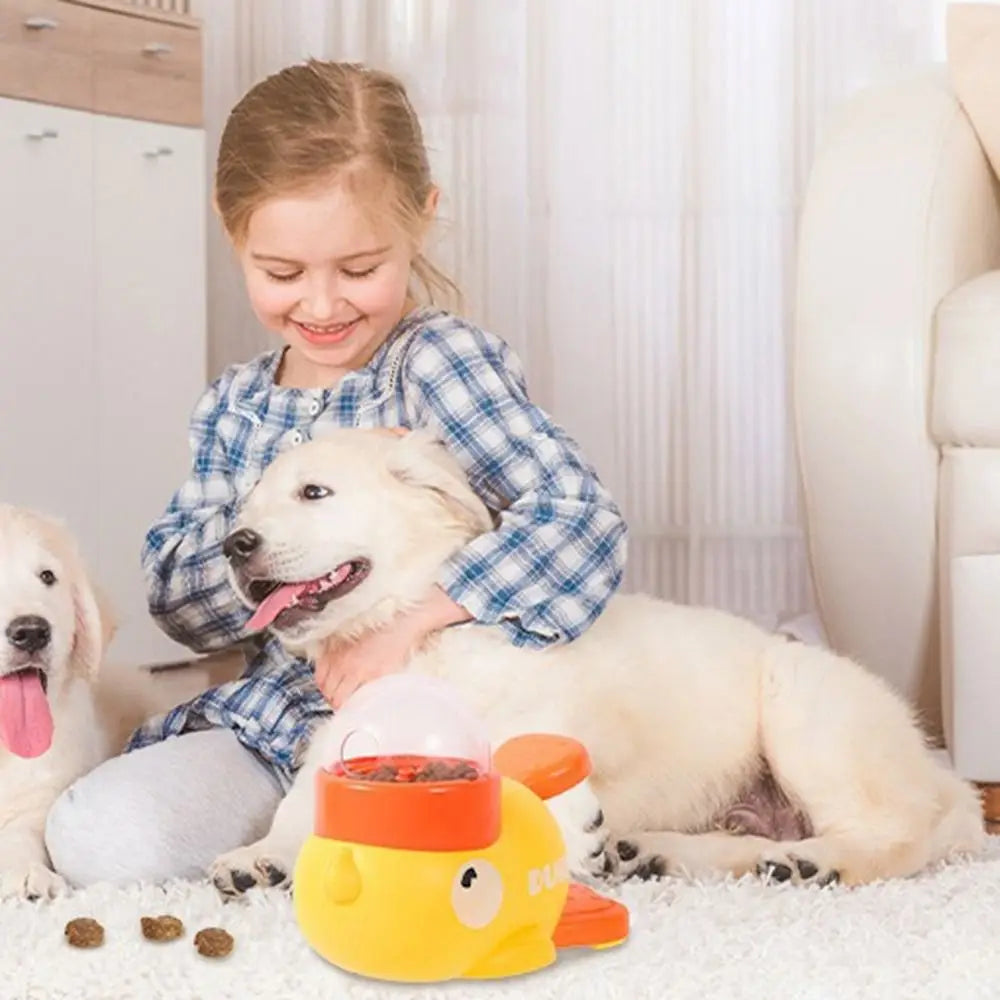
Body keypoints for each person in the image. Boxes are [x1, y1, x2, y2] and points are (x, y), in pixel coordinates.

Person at [44, 59, 627, 887]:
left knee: (473, 840)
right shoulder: (235, 407)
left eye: (358, 270)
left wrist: (408, 621)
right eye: (282, 274)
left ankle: (388, 839)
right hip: (276, 731)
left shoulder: (439, 366)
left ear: (421, 221)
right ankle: (321, 840)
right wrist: (264, 540)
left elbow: (579, 520)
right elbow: (176, 599)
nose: (321, 306)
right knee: (103, 840)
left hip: (437, 721)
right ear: (231, 229)